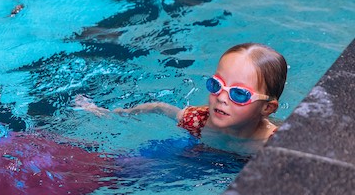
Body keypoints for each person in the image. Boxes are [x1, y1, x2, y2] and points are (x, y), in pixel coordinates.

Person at [76, 42, 287, 151]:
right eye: (216, 85)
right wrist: (114, 113)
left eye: (238, 94)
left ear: (267, 108)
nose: (221, 98)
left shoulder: (276, 142)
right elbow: (159, 107)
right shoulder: (198, 120)